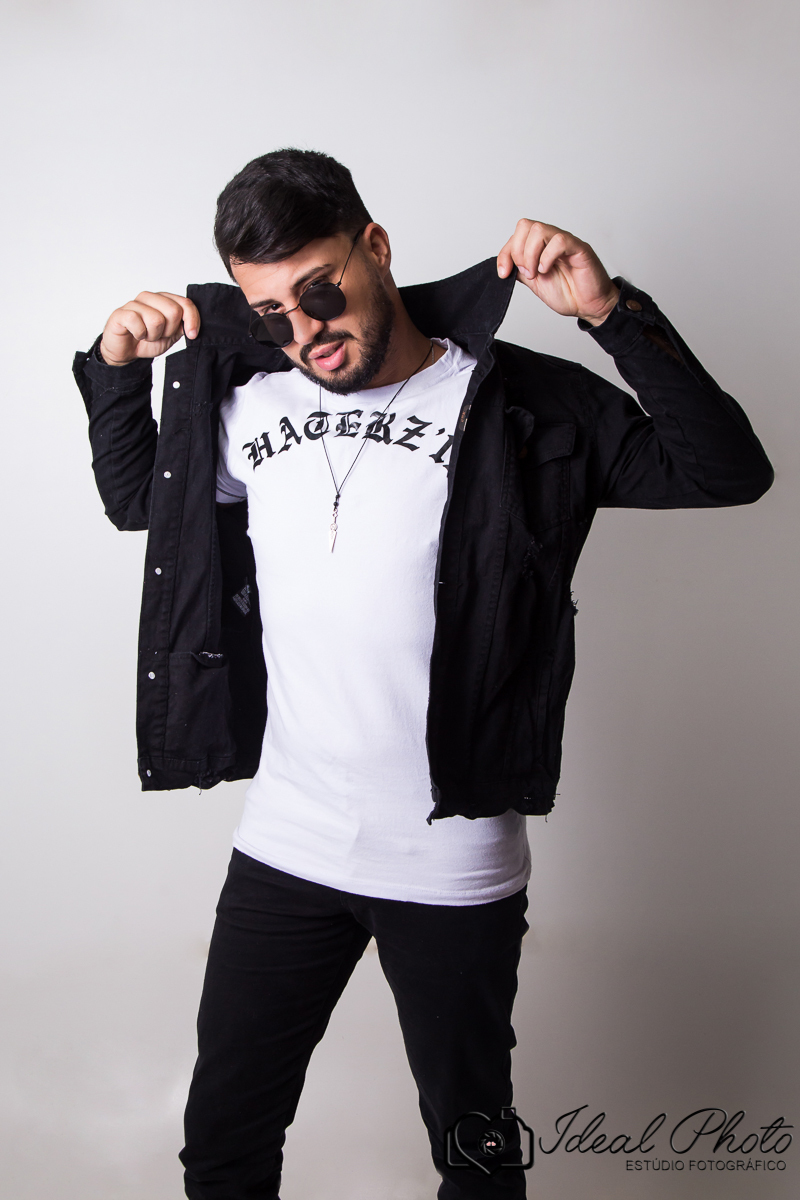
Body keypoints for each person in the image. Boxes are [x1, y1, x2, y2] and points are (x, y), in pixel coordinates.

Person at [72, 149, 773, 1199]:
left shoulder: (521, 403)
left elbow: (726, 472)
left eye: (321, 291)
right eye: (271, 314)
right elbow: (141, 503)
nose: (306, 331)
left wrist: (610, 313)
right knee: (222, 1141)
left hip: (450, 861)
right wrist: (117, 369)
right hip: (287, 842)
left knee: (473, 1154)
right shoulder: (248, 403)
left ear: (376, 247)